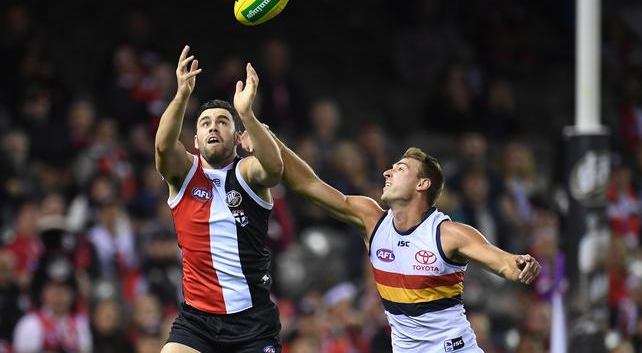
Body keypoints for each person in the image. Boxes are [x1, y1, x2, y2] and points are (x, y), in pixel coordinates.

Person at [273, 139, 541, 352]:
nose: (387, 172)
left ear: (422, 184)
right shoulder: (371, 221)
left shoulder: (447, 234)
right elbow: (308, 184)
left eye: (400, 168)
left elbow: (503, 262)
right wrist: (267, 137)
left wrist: (519, 264)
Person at [155, 46, 284, 353]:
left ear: (237, 136)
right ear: (196, 141)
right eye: (205, 123)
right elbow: (162, 146)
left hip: (252, 322)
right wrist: (182, 94)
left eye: (223, 121)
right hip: (197, 321)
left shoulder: (247, 172)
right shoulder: (183, 172)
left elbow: (275, 169)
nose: (214, 125)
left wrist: (248, 115)